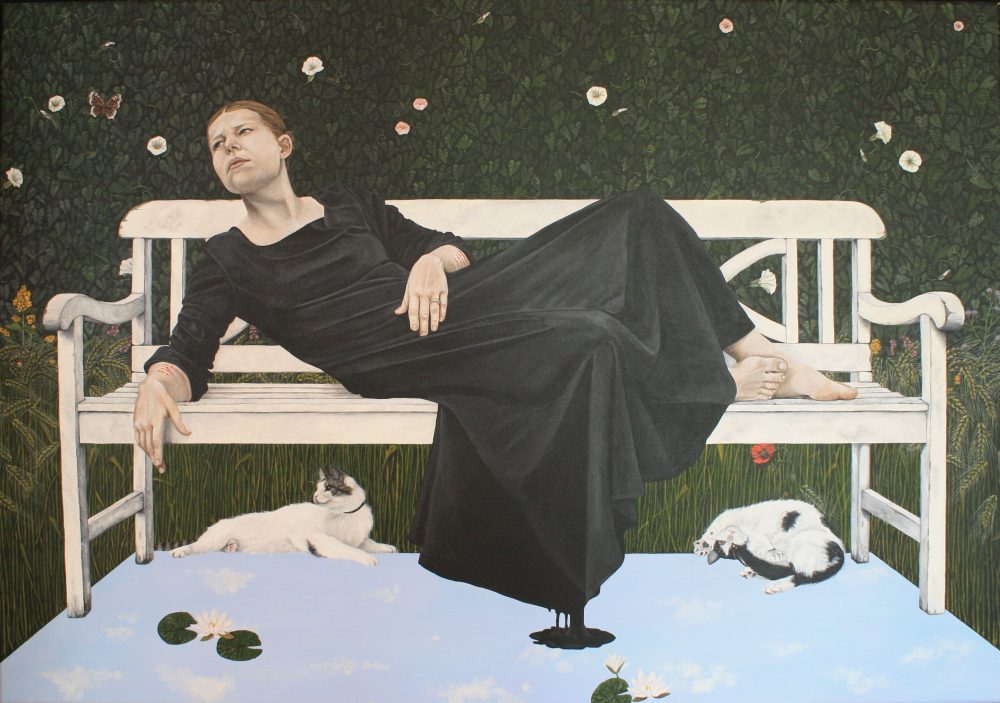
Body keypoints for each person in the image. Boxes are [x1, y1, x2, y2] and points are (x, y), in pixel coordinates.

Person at [134, 100, 857, 649]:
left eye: (242, 133)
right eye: (217, 145)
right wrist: (158, 382)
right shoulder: (227, 257)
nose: (229, 147)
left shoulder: (350, 204)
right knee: (589, 335)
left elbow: (450, 249)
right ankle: (716, 385)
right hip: (391, 353)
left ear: (283, 145)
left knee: (639, 213)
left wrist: (427, 260)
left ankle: (755, 353)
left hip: (459, 308)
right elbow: (189, 347)